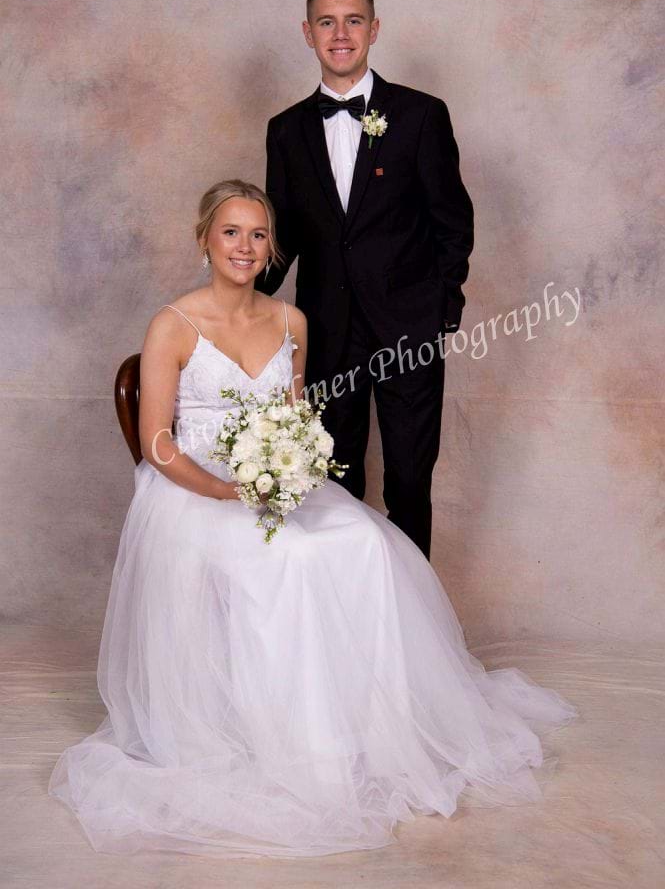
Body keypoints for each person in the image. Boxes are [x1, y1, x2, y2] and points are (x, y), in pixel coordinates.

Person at [48, 180, 576, 859]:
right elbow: (156, 441)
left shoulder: (291, 322)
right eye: (231, 232)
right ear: (204, 238)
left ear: (273, 248)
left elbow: (294, 420)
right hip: (195, 487)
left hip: (272, 477)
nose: (245, 247)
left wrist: (291, 471)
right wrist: (224, 490)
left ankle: (371, 725)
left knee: (365, 542)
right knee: (290, 559)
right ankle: (299, 740)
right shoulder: (172, 324)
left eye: (259, 234)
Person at [256, 0, 475, 559]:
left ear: (373, 29)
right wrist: (237, 300)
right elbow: (282, 235)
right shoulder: (286, 130)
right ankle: (344, 604)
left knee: (409, 479)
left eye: (353, 21)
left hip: (409, 330)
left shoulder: (422, 115)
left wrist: (440, 309)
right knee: (332, 481)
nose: (340, 34)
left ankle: (409, 609)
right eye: (326, 22)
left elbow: (453, 222)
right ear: (308, 33)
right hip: (327, 332)